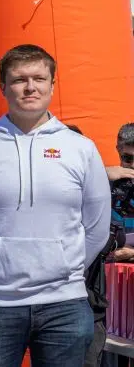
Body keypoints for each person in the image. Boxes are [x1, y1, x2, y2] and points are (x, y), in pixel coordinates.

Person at [0, 44, 110, 367]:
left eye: (39, 78)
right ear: (3, 86)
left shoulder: (81, 148)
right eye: (20, 79)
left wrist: (68, 267)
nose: (30, 87)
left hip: (64, 304)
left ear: (52, 85)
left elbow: (97, 226)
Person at [83, 123, 134, 367]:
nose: (131, 166)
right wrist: (102, 175)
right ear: (117, 150)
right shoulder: (105, 181)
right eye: (127, 158)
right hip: (102, 291)